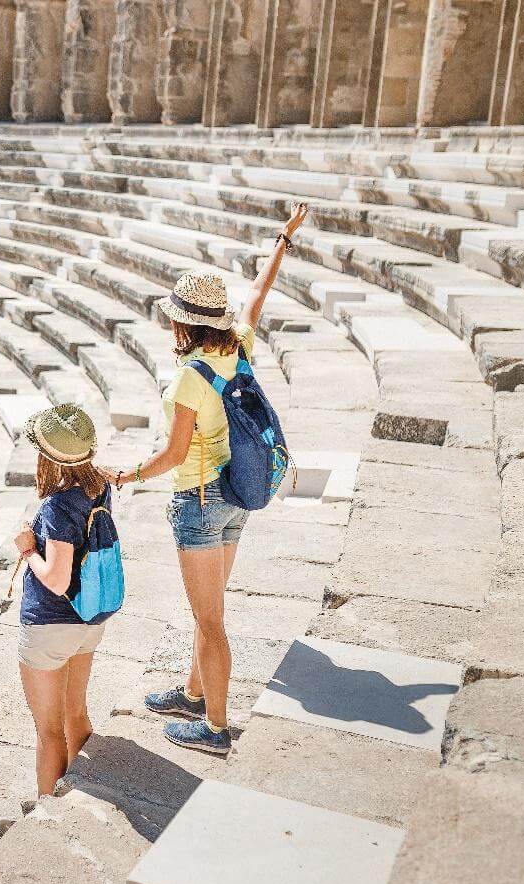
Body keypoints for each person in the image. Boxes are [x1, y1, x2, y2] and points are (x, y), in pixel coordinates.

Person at [100, 203, 309, 755]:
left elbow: (172, 455)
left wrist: (125, 473)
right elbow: (257, 296)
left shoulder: (189, 380)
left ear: (181, 322)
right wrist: (282, 240)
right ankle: (194, 694)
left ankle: (216, 728)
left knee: (210, 619)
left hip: (197, 501)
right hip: (236, 493)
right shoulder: (237, 345)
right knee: (210, 606)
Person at [12, 403, 123, 798]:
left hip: (50, 626)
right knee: (77, 714)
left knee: (48, 731)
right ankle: (81, 788)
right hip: (88, 621)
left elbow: (57, 579)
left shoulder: (58, 505)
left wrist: (28, 550)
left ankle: (46, 815)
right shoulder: (100, 487)